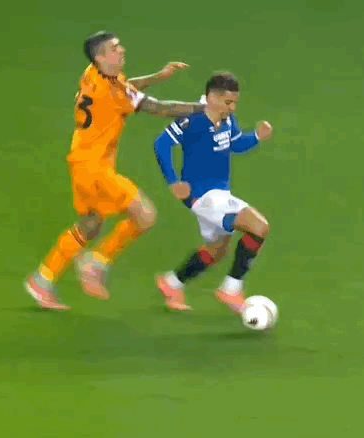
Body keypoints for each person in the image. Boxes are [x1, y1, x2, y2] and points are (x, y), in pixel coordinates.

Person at [24, 31, 205, 311]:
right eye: (114, 48)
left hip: (81, 162)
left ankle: (42, 280)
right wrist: (203, 109)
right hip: (96, 168)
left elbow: (126, 86)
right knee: (144, 215)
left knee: (89, 226)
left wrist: (158, 77)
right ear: (100, 57)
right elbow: (158, 108)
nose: (121, 51)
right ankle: (95, 263)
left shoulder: (92, 74)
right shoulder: (113, 92)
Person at [152, 72, 274, 313]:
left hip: (220, 194)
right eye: (228, 102)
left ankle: (171, 283)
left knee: (216, 251)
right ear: (212, 98)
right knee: (259, 227)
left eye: (235, 102)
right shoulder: (192, 119)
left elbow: (235, 144)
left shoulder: (228, 119)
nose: (233, 107)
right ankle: (231, 290)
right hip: (202, 196)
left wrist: (256, 137)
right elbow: (162, 144)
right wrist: (173, 181)